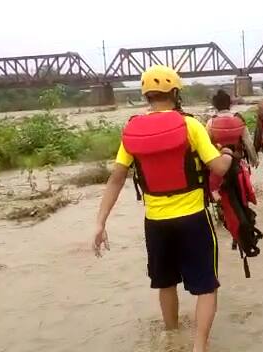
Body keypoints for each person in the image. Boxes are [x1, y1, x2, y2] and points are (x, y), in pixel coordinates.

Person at [91, 65, 233, 352]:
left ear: (147, 96)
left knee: (165, 283)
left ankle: (171, 338)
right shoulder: (190, 125)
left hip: (156, 223)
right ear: (175, 92)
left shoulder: (132, 130)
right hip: (193, 218)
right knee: (206, 286)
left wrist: (100, 222)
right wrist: (229, 154)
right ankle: (199, 346)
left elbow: (116, 178)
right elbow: (217, 167)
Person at [206, 89, 259, 169]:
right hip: (237, 161)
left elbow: (207, 144)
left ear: (215, 105)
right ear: (230, 104)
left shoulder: (211, 122)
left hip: (219, 163)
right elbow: (248, 142)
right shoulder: (239, 120)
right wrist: (254, 159)